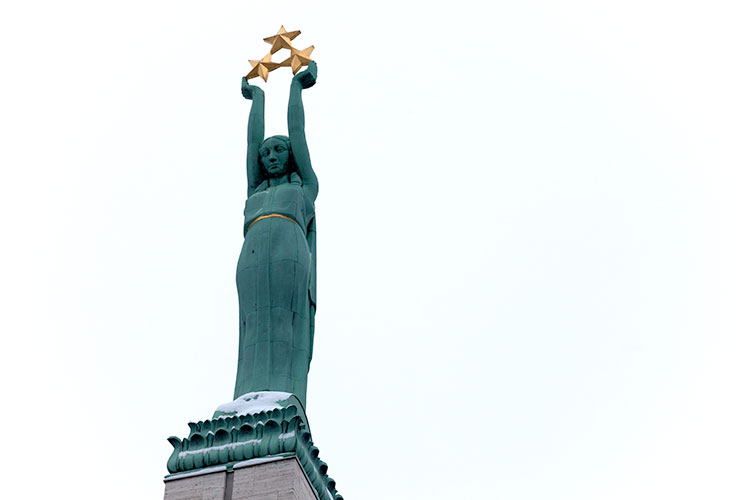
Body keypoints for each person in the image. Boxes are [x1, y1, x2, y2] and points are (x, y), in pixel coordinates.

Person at [234, 62, 318, 408]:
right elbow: (252, 140)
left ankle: (283, 393)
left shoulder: (304, 188)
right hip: (252, 254)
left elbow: (297, 133)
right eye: (265, 153)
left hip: (289, 246)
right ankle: (246, 396)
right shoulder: (256, 189)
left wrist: (296, 88)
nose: (270, 156)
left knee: (284, 319)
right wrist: (257, 97)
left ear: (291, 156)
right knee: (254, 325)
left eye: (278, 150)